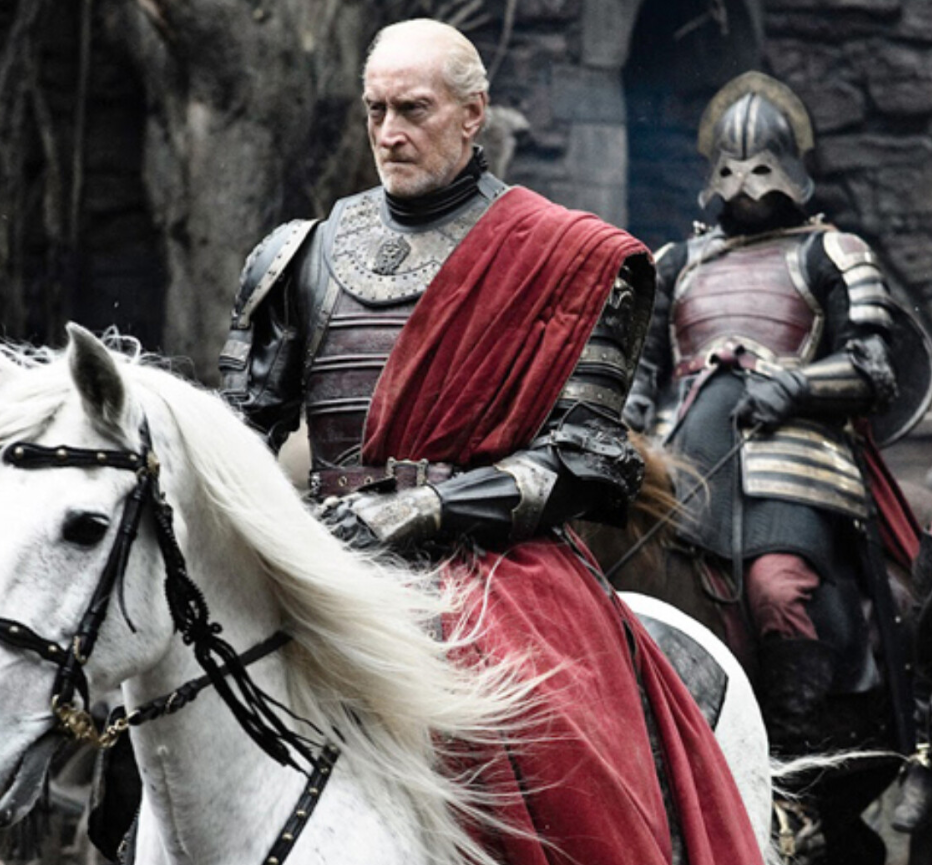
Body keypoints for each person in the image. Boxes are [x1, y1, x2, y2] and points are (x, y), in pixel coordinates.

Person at [220, 18, 762, 865]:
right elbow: (235, 440)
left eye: (414, 110)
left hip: (491, 561)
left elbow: (586, 458)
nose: (389, 134)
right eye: (375, 111)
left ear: (473, 114)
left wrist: (421, 510)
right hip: (322, 548)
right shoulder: (298, 255)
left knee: (544, 738)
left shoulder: (571, 258)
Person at [623, 70, 927, 861]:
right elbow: (642, 370)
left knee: (776, 588)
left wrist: (795, 384)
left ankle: (794, 766)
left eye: (761, 166)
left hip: (794, 460)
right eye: (733, 168)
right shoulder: (677, 260)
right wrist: (628, 434)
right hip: (684, 457)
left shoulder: (832, 251)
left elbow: (875, 369)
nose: (746, 183)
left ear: (791, 166)